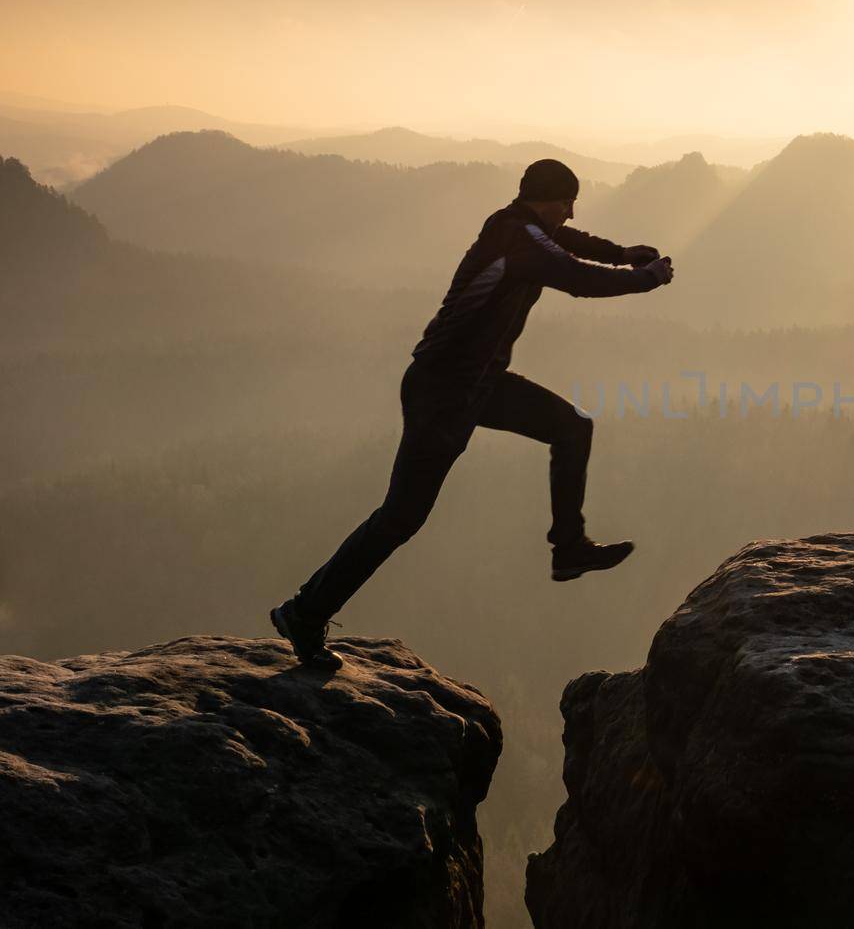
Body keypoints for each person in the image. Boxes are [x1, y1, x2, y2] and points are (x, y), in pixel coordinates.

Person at [270, 158, 673, 669]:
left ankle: (568, 548)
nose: (572, 212)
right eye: (567, 202)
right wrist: (646, 277)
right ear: (545, 200)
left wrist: (621, 254)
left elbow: (567, 245)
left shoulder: (518, 227)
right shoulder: (520, 239)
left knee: (571, 427)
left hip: (478, 384)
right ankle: (304, 613)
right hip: (444, 390)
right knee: (400, 517)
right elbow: (575, 276)